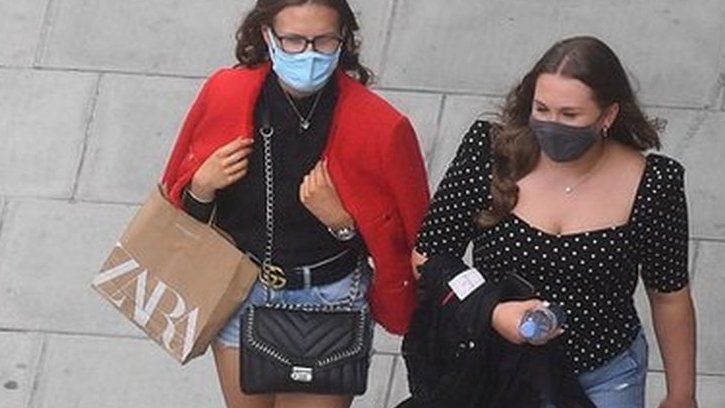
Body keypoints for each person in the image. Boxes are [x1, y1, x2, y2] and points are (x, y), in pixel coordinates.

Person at [160, 1, 430, 407]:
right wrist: (202, 186)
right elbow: (181, 210)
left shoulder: (380, 125)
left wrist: (342, 223)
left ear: (344, 41)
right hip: (242, 289)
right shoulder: (227, 93)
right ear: (267, 36)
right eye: (293, 40)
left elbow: (412, 235)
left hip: (329, 297)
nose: (309, 53)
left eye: (324, 41)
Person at [414, 36, 696, 408]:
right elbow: (428, 256)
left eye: (570, 115)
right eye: (542, 109)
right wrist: (491, 309)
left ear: (607, 116)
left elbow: (669, 295)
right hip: (498, 368)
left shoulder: (654, 183)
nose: (552, 125)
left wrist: (681, 394)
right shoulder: (490, 152)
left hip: (604, 373)